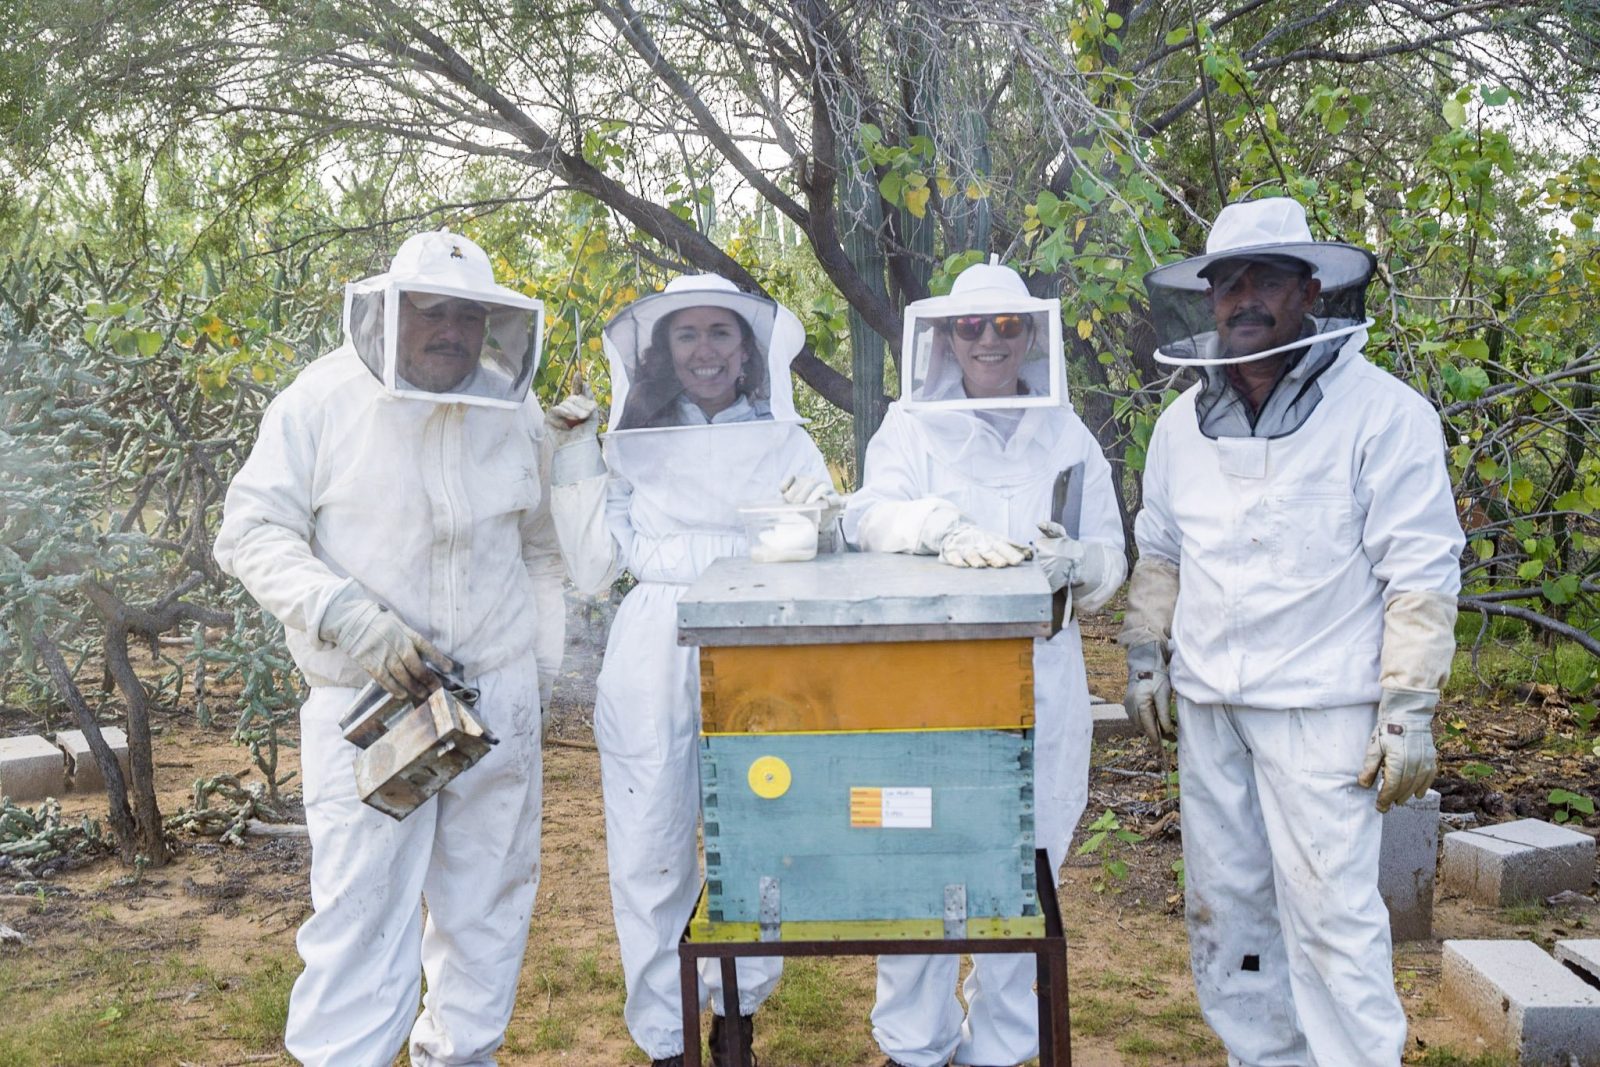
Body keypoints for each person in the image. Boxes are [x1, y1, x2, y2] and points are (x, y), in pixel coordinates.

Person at [1121, 196, 1464, 1066]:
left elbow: (1419, 567)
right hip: (1210, 708)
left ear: (1311, 287)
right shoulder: (1177, 426)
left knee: (1330, 916)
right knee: (1228, 909)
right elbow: (1159, 550)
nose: (1246, 297)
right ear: (1207, 299)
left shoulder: (1385, 414)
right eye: (1228, 281)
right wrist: (1144, 654)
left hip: (1322, 713)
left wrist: (1409, 706)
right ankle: (1261, 1057)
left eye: (1266, 277)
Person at [214, 229, 564, 1066]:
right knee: (363, 913)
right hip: (369, 702)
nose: (449, 330)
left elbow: (543, 550)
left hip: (496, 697)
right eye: (429, 311)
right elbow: (251, 529)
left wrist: (539, 667)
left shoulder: (513, 411)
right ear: (388, 312)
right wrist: (345, 614)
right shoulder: (321, 401)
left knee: (489, 906)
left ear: (493, 326)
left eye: (467, 315)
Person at [838, 259, 1126, 1067]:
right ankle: (915, 1045)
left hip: (1044, 673)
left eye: (1006, 326)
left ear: (1030, 333)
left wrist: (1082, 565)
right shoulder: (910, 427)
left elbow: (1112, 554)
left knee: (1027, 862)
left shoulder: (1067, 432)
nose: (990, 341)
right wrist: (938, 526)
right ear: (947, 337)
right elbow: (865, 517)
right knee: (918, 860)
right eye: (973, 327)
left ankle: (1002, 1047)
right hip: (927, 682)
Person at [543, 274, 834, 1067]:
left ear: (748, 350)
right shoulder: (630, 438)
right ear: (663, 351)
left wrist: (819, 522)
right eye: (687, 334)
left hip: (764, 639)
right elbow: (598, 569)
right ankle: (667, 1038)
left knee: (763, 835)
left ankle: (737, 1015)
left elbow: (820, 550)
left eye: (720, 333)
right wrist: (573, 457)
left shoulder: (788, 438)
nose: (704, 349)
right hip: (654, 643)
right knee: (649, 842)